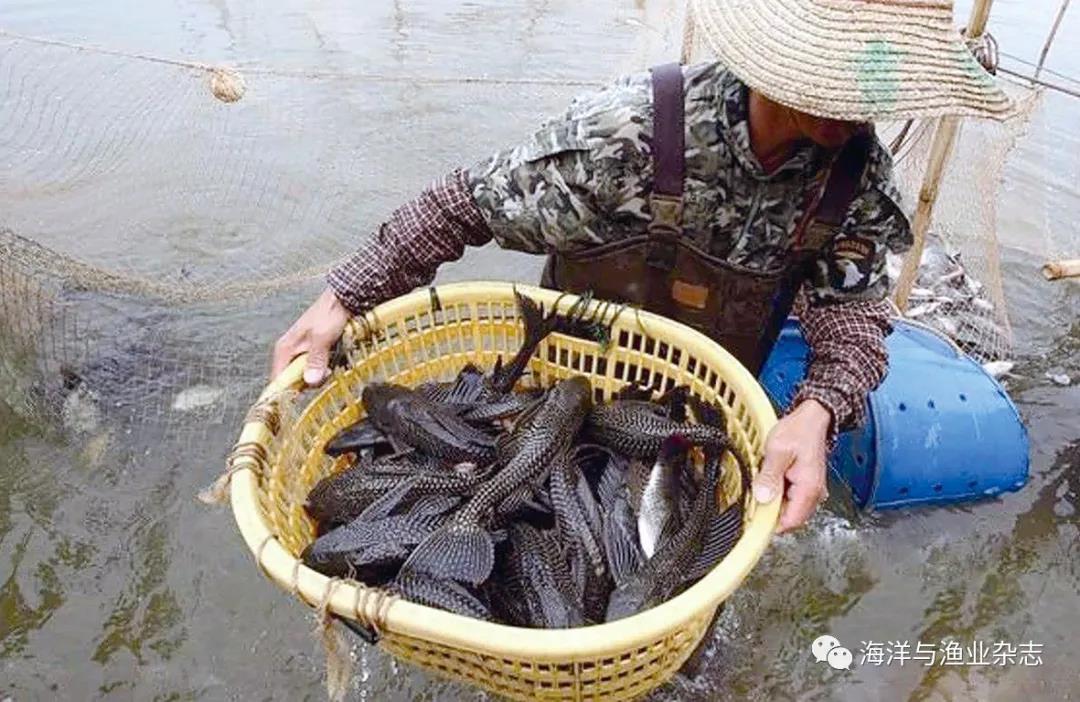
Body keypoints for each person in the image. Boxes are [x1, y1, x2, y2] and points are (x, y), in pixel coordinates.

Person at [270, 0, 1012, 533]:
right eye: (851, 83)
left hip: (700, 421)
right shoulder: (632, 136)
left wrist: (815, 414)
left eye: (879, 86)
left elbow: (851, 317)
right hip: (562, 401)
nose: (865, 110)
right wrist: (343, 297)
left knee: (671, 599)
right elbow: (467, 204)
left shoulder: (856, 179)